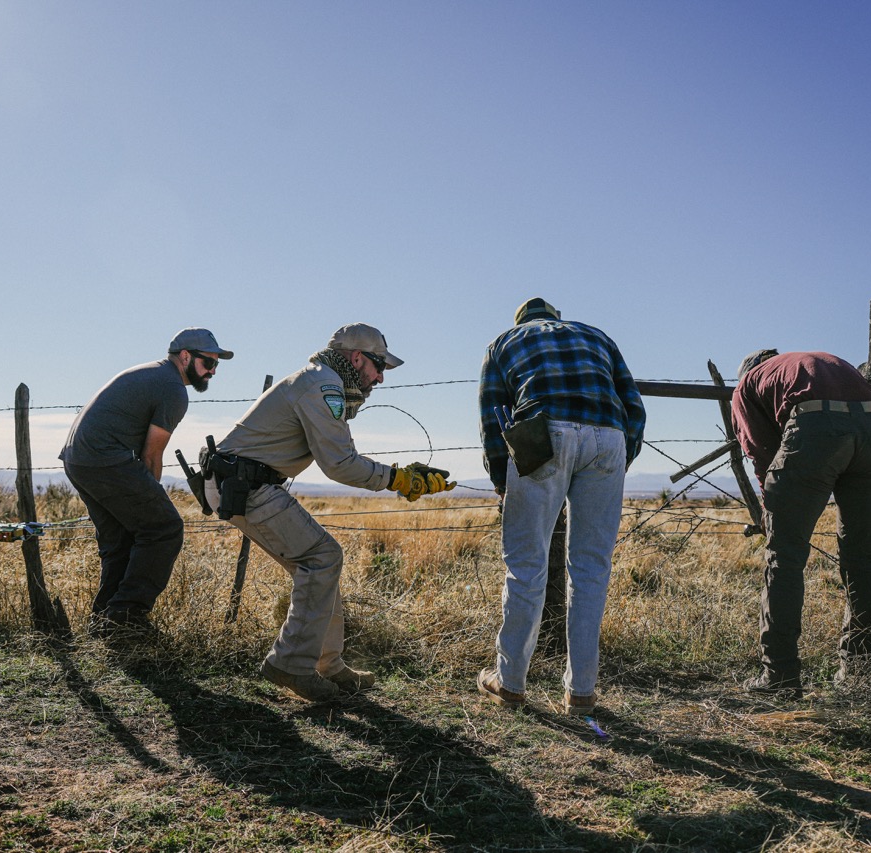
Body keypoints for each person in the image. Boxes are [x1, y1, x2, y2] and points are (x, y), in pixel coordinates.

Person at [202, 323, 454, 702]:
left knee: (319, 564)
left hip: (243, 484)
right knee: (322, 557)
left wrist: (400, 477)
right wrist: (400, 480)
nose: (381, 377)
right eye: (379, 366)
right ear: (357, 358)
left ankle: (328, 665)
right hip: (246, 486)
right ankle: (291, 664)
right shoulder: (323, 386)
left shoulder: (318, 381)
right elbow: (339, 464)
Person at [476, 298, 645, 716]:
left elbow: (493, 415)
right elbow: (634, 404)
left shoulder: (504, 342)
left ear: (521, 322)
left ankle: (510, 681)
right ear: (555, 318)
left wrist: (503, 478)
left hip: (542, 432)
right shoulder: (596, 335)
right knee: (591, 567)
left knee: (526, 562)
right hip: (608, 436)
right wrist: (621, 454)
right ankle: (582, 691)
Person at [732, 349, 871, 697]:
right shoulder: (807, 364)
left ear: (747, 371)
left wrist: (771, 507)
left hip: (817, 427)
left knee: (785, 557)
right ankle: (861, 673)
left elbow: (762, 452)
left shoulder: (748, 384)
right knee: (863, 558)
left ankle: (780, 676)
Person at [60, 328, 233, 634]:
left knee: (121, 541)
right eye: (208, 362)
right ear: (185, 356)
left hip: (79, 459)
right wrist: (153, 498)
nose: (213, 371)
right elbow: (152, 455)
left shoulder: (152, 374)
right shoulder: (172, 389)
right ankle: (127, 617)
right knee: (164, 529)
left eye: (216, 364)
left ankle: (104, 622)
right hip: (104, 458)